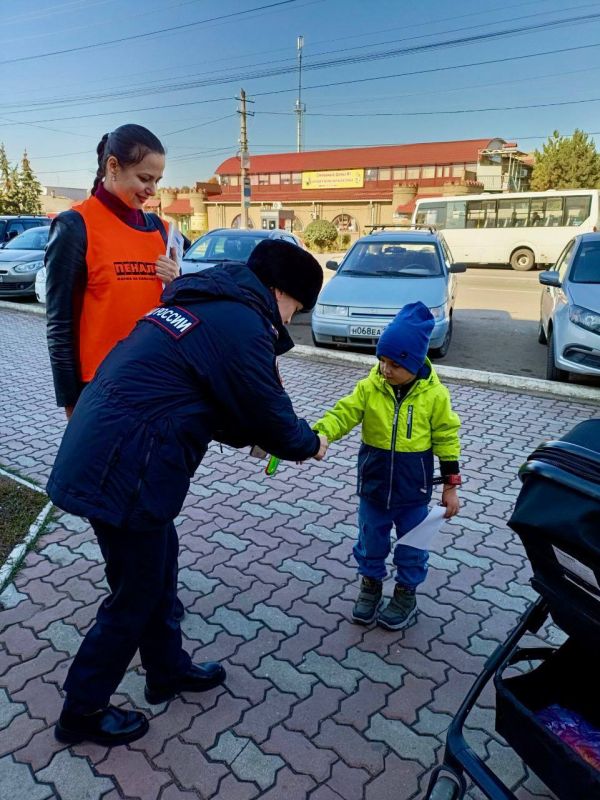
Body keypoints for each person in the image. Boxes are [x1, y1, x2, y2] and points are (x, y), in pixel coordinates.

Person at [46, 239, 328, 746]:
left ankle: (167, 669)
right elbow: (271, 414)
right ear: (280, 291)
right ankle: (81, 711)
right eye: (295, 309)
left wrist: (251, 432)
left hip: (117, 454)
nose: (290, 321)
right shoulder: (242, 325)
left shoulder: (205, 303)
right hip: (125, 467)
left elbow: (201, 392)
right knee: (135, 593)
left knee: (159, 566)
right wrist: (310, 443)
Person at [313, 302, 461, 631]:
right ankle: (371, 586)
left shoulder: (435, 396)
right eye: (381, 360)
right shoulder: (370, 388)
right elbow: (344, 413)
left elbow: (447, 439)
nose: (385, 369)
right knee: (371, 542)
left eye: (394, 364)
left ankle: (406, 593)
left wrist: (451, 487)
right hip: (374, 487)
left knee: (412, 547)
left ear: (414, 361)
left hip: (414, 492)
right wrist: (321, 434)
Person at [45, 123, 180, 421]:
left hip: (155, 384)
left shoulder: (161, 231)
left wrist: (176, 284)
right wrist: (72, 404)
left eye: (157, 180)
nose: (152, 190)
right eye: (144, 178)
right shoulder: (75, 227)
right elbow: (60, 326)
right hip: (100, 391)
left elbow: (174, 312)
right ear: (113, 166)